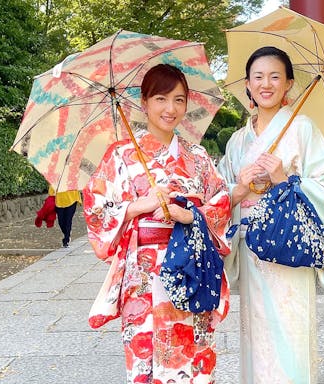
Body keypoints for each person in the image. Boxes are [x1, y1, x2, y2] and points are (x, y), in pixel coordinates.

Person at [83, 64, 231, 384]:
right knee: (145, 355)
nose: (170, 108)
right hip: (145, 272)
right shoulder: (120, 155)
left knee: (193, 354)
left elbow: (220, 200)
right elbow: (96, 207)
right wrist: (141, 204)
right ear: (144, 101)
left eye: (179, 100)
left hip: (191, 265)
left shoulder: (198, 156)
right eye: (161, 99)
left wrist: (191, 215)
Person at [217, 46, 324, 383]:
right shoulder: (238, 140)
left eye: (275, 76)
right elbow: (220, 192)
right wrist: (240, 188)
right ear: (247, 83)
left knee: (290, 329)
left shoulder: (302, 129)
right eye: (258, 77)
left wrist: (284, 181)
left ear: (288, 83)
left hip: (288, 244)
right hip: (251, 246)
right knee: (255, 332)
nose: (266, 84)